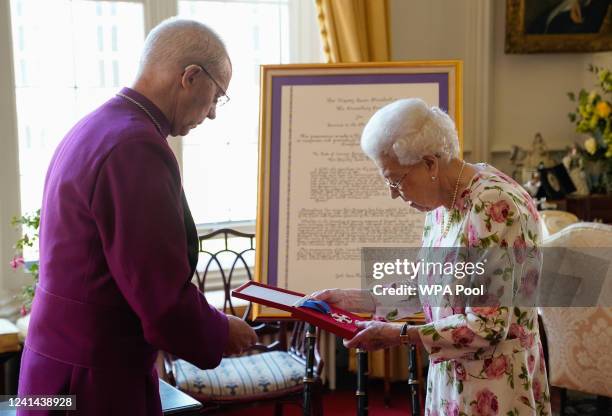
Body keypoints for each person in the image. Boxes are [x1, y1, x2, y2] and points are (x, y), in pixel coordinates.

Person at [17, 18, 257, 416]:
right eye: (217, 96)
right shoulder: (136, 148)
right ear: (191, 77)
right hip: (94, 380)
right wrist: (219, 332)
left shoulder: (96, 125)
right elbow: (158, 293)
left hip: (52, 366)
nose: (213, 113)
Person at [313, 99, 551, 415]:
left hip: (496, 387)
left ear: (430, 164)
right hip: (455, 375)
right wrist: (362, 300)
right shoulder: (443, 202)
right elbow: (440, 290)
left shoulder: (495, 207)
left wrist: (398, 335)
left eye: (395, 180)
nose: (393, 194)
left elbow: (487, 326)